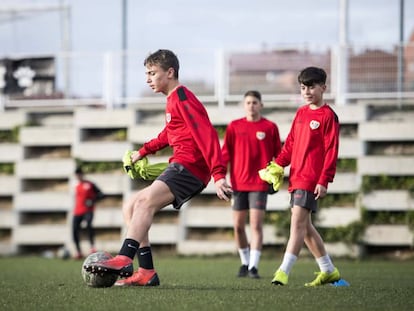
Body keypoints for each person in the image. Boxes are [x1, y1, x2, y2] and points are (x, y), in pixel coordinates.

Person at [84, 49, 232, 286]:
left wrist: (218, 174)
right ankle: (146, 272)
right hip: (182, 166)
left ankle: (124, 257)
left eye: (152, 73)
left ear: (170, 72)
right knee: (131, 206)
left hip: (190, 168)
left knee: (143, 204)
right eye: (147, 74)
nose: (148, 79)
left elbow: (207, 135)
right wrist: (141, 152)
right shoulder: (173, 99)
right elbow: (168, 134)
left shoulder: (183, 97)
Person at [270, 67, 341, 286]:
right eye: (303, 87)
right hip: (296, 176)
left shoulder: (329, 116)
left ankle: (283, 271)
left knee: (297, 224)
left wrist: (324, 180)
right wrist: (278, 164)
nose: (307, 91)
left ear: (323, 88)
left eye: (311, 86)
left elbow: (332, 150)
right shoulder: (301, 113)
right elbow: (291, 143)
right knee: (306, 228)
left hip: (311, 178)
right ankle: (328, 270)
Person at [221, 90, 281, 279]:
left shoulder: (270, 127)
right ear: (243, 105)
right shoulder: (234, 126)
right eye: (248, 102)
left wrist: (276, 177)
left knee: (256, 225)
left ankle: (254, 267)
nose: (251, 105)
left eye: (255, 102)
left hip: (259, 185)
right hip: (238, 184)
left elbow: (279, 157)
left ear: (261, 105)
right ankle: (245, 263)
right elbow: (225, 154)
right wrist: (221, 176)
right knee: (238, 226)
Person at [72, 166, 104, 259]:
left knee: (88, 226)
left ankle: (92, 247)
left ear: (82, 174)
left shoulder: (89, 184)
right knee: (74, 230)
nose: (78, 176)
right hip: (77, 211)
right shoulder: (75, 185)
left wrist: (92, 200)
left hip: (88, 210)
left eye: (79, 174)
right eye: (77, 175)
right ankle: (78, 251)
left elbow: (101, 194)